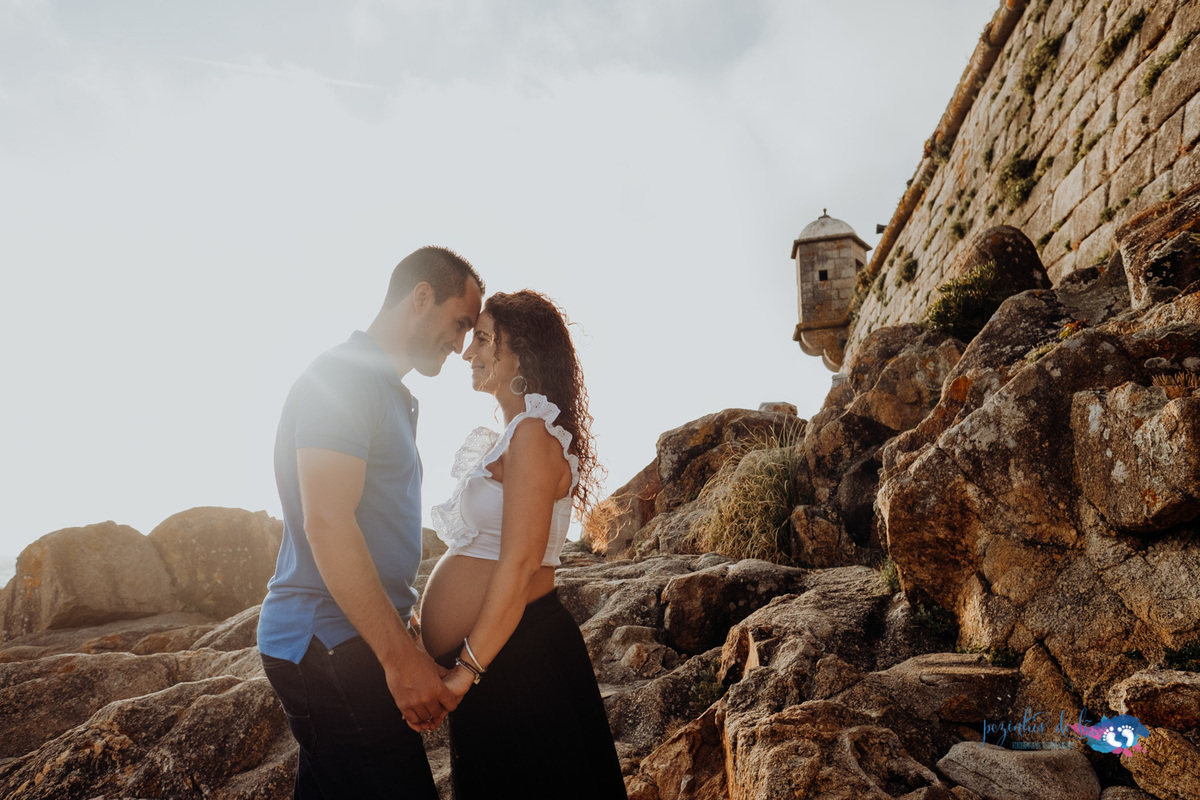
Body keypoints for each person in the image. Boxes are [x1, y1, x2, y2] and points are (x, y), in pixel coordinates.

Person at [257, 246, 483, 799]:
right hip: (326, 641)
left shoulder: (389, 394)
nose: (462, 345)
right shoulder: (344, 378)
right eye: (461, 323)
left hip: (346, 636)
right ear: (421, 297)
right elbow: (328, 523)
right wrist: (399, 659)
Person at [420, 290, 628, 799]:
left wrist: (463, 673)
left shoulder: (534, 434)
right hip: (502, 658)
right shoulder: (514, 433)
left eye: (485, 339)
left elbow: (517, 567)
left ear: (523, 354)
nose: (469, 352)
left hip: (518, 661)